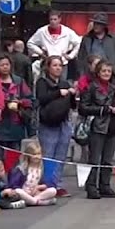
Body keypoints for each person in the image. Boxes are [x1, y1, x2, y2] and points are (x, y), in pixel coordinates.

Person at [79, 59, 115, 200]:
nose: (106, 73)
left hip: (111, 126)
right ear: (98, 72)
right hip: (97, 125)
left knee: (108, 159)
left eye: (109, 71)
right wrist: (102, 110)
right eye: (104, 71)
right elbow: (83, 108)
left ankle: (105, 185)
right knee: (94, 159)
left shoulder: (113, 88)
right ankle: (91, 186)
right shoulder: (91, 87)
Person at [34, 57, 74, 194]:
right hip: (48, 122)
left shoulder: (65, 83)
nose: (58, 68)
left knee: (61, 155)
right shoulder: (42, 82)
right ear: (48, 67)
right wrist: (58, 93)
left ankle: (56, 183)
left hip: (63, 121)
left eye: (60, 65)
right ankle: (47, 184)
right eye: (55, 65)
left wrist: (73, 94)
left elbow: (73, 105)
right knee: (48, 154)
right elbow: (41, 99)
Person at [27, 11, 82, 78]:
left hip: (62, 63)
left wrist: (71, 56)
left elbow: (79, 43)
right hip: (47, 63)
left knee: (61, 83)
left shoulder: (67, 31)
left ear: (59, 19)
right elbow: (30, 43)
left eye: (55, 19)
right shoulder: (42, 31)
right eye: (51, 19)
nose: (53, 21)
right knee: (45, 83)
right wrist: (41, 52)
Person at [6, 139, 59, 207]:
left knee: (53, 190)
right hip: (24, 191)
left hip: (37, 192)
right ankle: (38, 202)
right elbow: (14, 185)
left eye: (39, 154)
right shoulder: (21, 168)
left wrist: (39, 187)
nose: (37, 157)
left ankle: (31, 201)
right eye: (34, 154)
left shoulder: (44, 167)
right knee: (18, 191)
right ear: (28, 155)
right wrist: (25, 190)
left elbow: (52, 182)